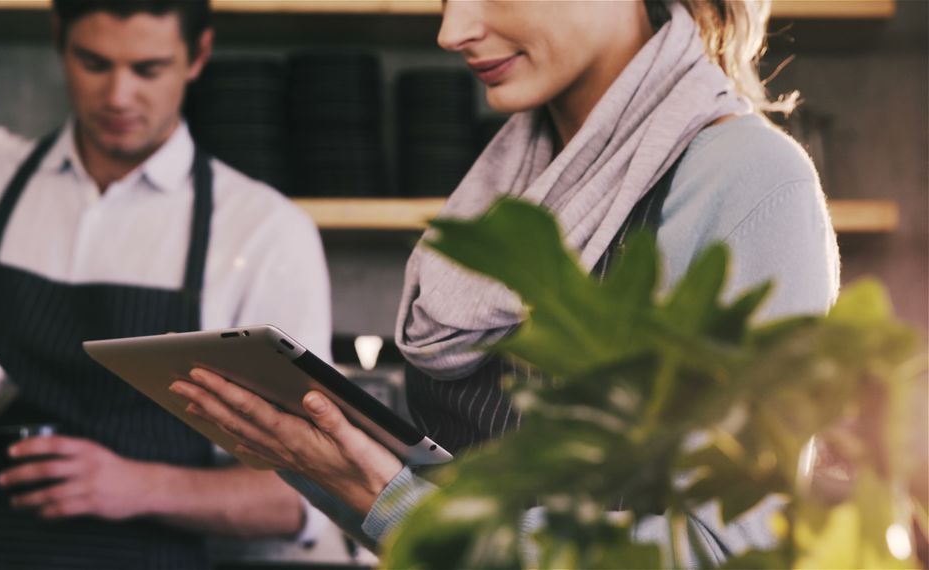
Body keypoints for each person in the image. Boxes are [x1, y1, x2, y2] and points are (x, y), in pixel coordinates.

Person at [170, 0, 840, 563]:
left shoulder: (747, 180)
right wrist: (337, 472)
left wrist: (396, 504)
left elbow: (724, 548)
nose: (451, 30)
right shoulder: (513, 182)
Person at [0, 1, 336, 568]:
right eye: (95, 63)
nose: (119, 97)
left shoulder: (263, 231)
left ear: (198, 55)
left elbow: (305, 495)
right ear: (58, 39)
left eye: (148, 69)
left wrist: (137, 486)